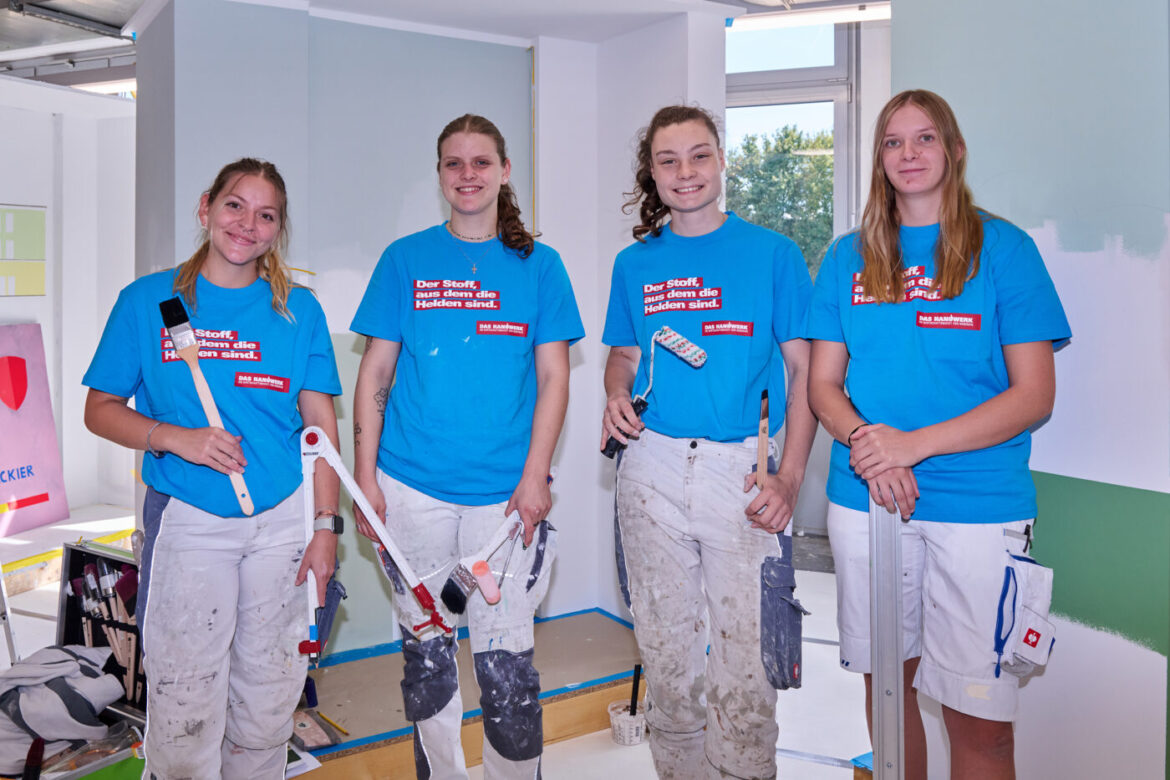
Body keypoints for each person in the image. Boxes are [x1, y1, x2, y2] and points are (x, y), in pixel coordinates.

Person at [806, 89, 1070, 780]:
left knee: (980, 719)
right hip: (866, 498)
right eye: (893, 142)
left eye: (924, 139)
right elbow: (823, 387)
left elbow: (1034, 396)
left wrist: (912, 446)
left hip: (978, 506)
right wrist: (873, 446)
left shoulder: (1004, 250)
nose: (909, 154)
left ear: (954, 150)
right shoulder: (847, 257)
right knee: (888, 698)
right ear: (879, 159)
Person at [83, 158, 343, 779]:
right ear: (206, 208)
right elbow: (99, 410)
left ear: (278, 230)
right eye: (234, 205)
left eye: (265, 215)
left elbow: (321, 430)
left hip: (283, 519)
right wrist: (175, 437)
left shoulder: (298, 312)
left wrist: (326, 524)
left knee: (270, 694)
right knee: (187, 699)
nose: (246, 224)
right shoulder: (149, 302)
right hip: (191, 520)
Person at [350, 114, 584, 779]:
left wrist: (537, 475)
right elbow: (374, 372)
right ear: (440, 175)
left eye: (481, 163)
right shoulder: (406, 259)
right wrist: (365, 479)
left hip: (506, 499)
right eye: (453, 164)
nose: (467, 176)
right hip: (411, 489)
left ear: (504, 171)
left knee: (506, 662)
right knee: (428, 653)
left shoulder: (540, 266)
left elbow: (553, 377)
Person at [601, 105, 817, 780]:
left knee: (747, 671)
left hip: (743, 469)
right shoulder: (635, 264)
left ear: (722, 161)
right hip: (652, 471)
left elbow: (806, 372)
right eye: (668, 160)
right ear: (653, 172)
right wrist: (614, 394)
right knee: (667, 663)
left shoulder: (774, 254)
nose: (685, 172)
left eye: (698, 156)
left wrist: (789, 480)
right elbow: (623, 356)